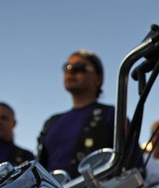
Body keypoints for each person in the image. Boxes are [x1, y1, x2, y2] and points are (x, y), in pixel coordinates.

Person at [37, 49, 115, 178]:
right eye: (67, 67)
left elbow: (131, 163)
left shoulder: (110, 115)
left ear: (98, 79)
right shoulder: (52, 122)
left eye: (80, 67)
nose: (71, 71)